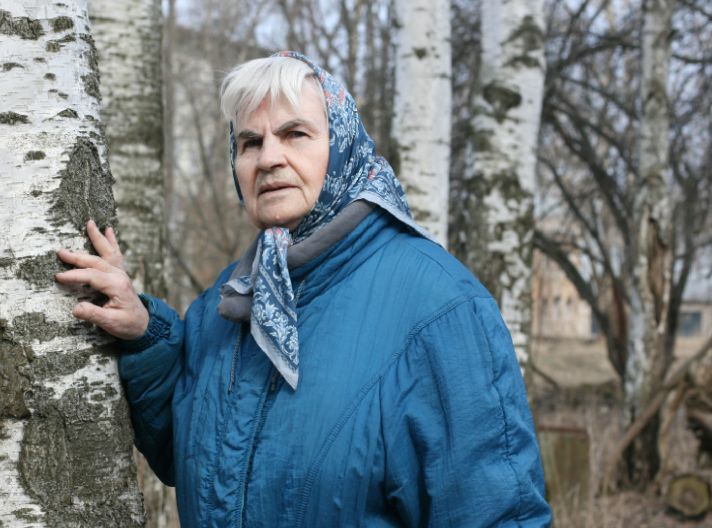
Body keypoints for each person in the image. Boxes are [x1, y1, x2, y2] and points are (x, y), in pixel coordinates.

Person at [56, 52, 551, 527]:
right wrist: (144, 333)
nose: (269, 158)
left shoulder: (442, 307)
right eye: (250, 143)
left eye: (295, 134)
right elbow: (192, 458)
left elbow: (494, 512)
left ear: (342, 147)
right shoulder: (229, 302)